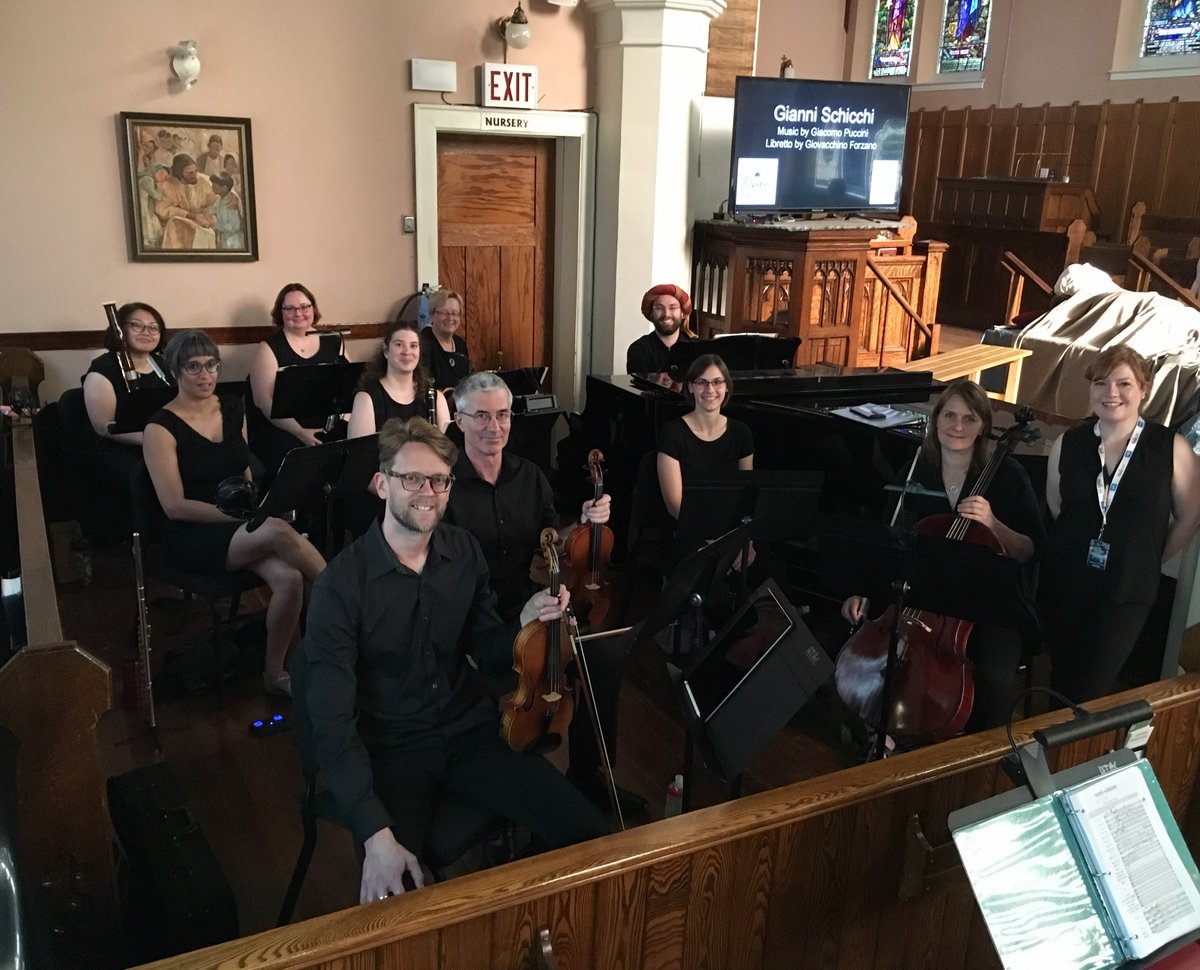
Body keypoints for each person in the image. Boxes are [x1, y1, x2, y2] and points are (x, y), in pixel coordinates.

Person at [300, 417, 607, 901]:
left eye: (439, 480)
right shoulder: (340, 588)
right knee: (394, 899)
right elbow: (332, 726)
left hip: (469, 732)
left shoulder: (463, 552)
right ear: (382, 484)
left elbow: (485, 651)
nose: (428, 491)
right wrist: (375, 834)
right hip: (393, 748)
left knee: (592, 836)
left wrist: (524, 621)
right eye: (411, 478)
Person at [442, 372, 635, 812]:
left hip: (536, 604)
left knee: (603, 658)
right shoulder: (445, 485)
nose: (495, 427)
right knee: (504, 676)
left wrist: (583, 522)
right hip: (477, 620)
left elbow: (552, 542)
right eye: (482, 417)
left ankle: (589, 776)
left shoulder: (529, 475)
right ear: (459, 421)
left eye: (503, 415)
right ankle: (502, 798)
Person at [840, 380, 1045, 731]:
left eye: (969, 418)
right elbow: (890, 540)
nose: (958, 426)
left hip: (989, 604)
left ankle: (977, 754)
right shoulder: (917, 468)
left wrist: (993, 523)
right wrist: (864, 588)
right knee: (875, 652)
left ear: (983, 426)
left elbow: (1030, 549)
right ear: (936, 421)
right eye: (949, 415)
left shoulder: (1008, 476)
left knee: (994, 676)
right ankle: (881, 734)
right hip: (927, 599)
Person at [143, 330, 327, 696]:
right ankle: (343, 595)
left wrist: (253, 509)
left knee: (289, 580)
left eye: (211, 364)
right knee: (275, 530)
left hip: (237, 524)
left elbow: (242, 473)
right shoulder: (159, 427)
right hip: (192, 533)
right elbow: (174, 506)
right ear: (175, 372)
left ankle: (276, 675)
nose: (205, 374)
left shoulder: (231, 408)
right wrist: (247, 520)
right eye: (193, 367)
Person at [1042, 347, 1200, 703]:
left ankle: (1075, 755)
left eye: (1123, 383)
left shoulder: (1170, 447)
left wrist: (1149, 558)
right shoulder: (1068, 443)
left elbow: (1190, 515)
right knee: (1060, 681)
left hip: (1127, 589)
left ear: (1143, 389)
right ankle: (1051, 756)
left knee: (1089, 690)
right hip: (1067, 583)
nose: (1111, 393)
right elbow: (1058, 508)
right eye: (1101, 382)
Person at [82, 302, 175, 539]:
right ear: (120, 330)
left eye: (154, 328)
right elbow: (104, 427)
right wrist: (156, 441)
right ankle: (151, 541)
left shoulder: (164, 365)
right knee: (150, 471)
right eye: (137, 326)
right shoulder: (103, 370)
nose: (147, 332)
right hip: (119, 449)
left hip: (162, 443)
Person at [249, 282, 347, 485]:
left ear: (313, 308)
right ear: (280, 312)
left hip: (328, 427)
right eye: (290, 308)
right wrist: (300, 433)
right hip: (285, 430)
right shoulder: (269, 347)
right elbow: (262, 401)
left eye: (304, 306)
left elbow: (350, 388)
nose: (298, 313)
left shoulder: (334, 341)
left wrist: (343, 423)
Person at [657, 353, 754, 531]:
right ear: (691, 387)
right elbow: (674, 505)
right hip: (686, 529)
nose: (710, 389)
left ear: (726, 387)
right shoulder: (672, 433)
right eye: (702, 382)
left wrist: (741, 538)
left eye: (717, 382)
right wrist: (713, 539)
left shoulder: (741, 433)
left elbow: (745, 496)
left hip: (730, 529)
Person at [348, 319, 451, 438]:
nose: (407, 352)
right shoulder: (366, 399)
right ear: (386, 351)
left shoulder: (436, 398)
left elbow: (446, 451)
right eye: (399, 344)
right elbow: (361, 454)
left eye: (413, 346)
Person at [625, 283, 697, 375]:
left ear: (682, 313)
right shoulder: (639, 350)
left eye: (673, 308)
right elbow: (639, 388)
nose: (666, 314)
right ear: (651, 313)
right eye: (659, 308)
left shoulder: (695, 348)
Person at [155, 154, 216, 250]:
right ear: (179, 173)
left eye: (195, 171)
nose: (194, 175)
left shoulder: (203, 183)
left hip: (201, 227)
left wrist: (207, 217)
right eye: (189, 173)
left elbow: (211, 203)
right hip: (179, 232)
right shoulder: (168, 186)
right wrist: (190, 216)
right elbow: (163, 210)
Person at [418, 288, 472, 389]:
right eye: (444, 313)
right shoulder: (422, 344)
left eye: (455, 313)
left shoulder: (460, 344)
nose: (450, 318)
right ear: (431, 314)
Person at [208, 172, 243, 250]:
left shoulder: (230, 203)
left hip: (234, 242)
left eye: (214, 186)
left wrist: (215, 225)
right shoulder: (219, 200)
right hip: (225, 240)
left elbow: (235, 226)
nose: (212, 187)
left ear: (224, 188)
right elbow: (212, 210)